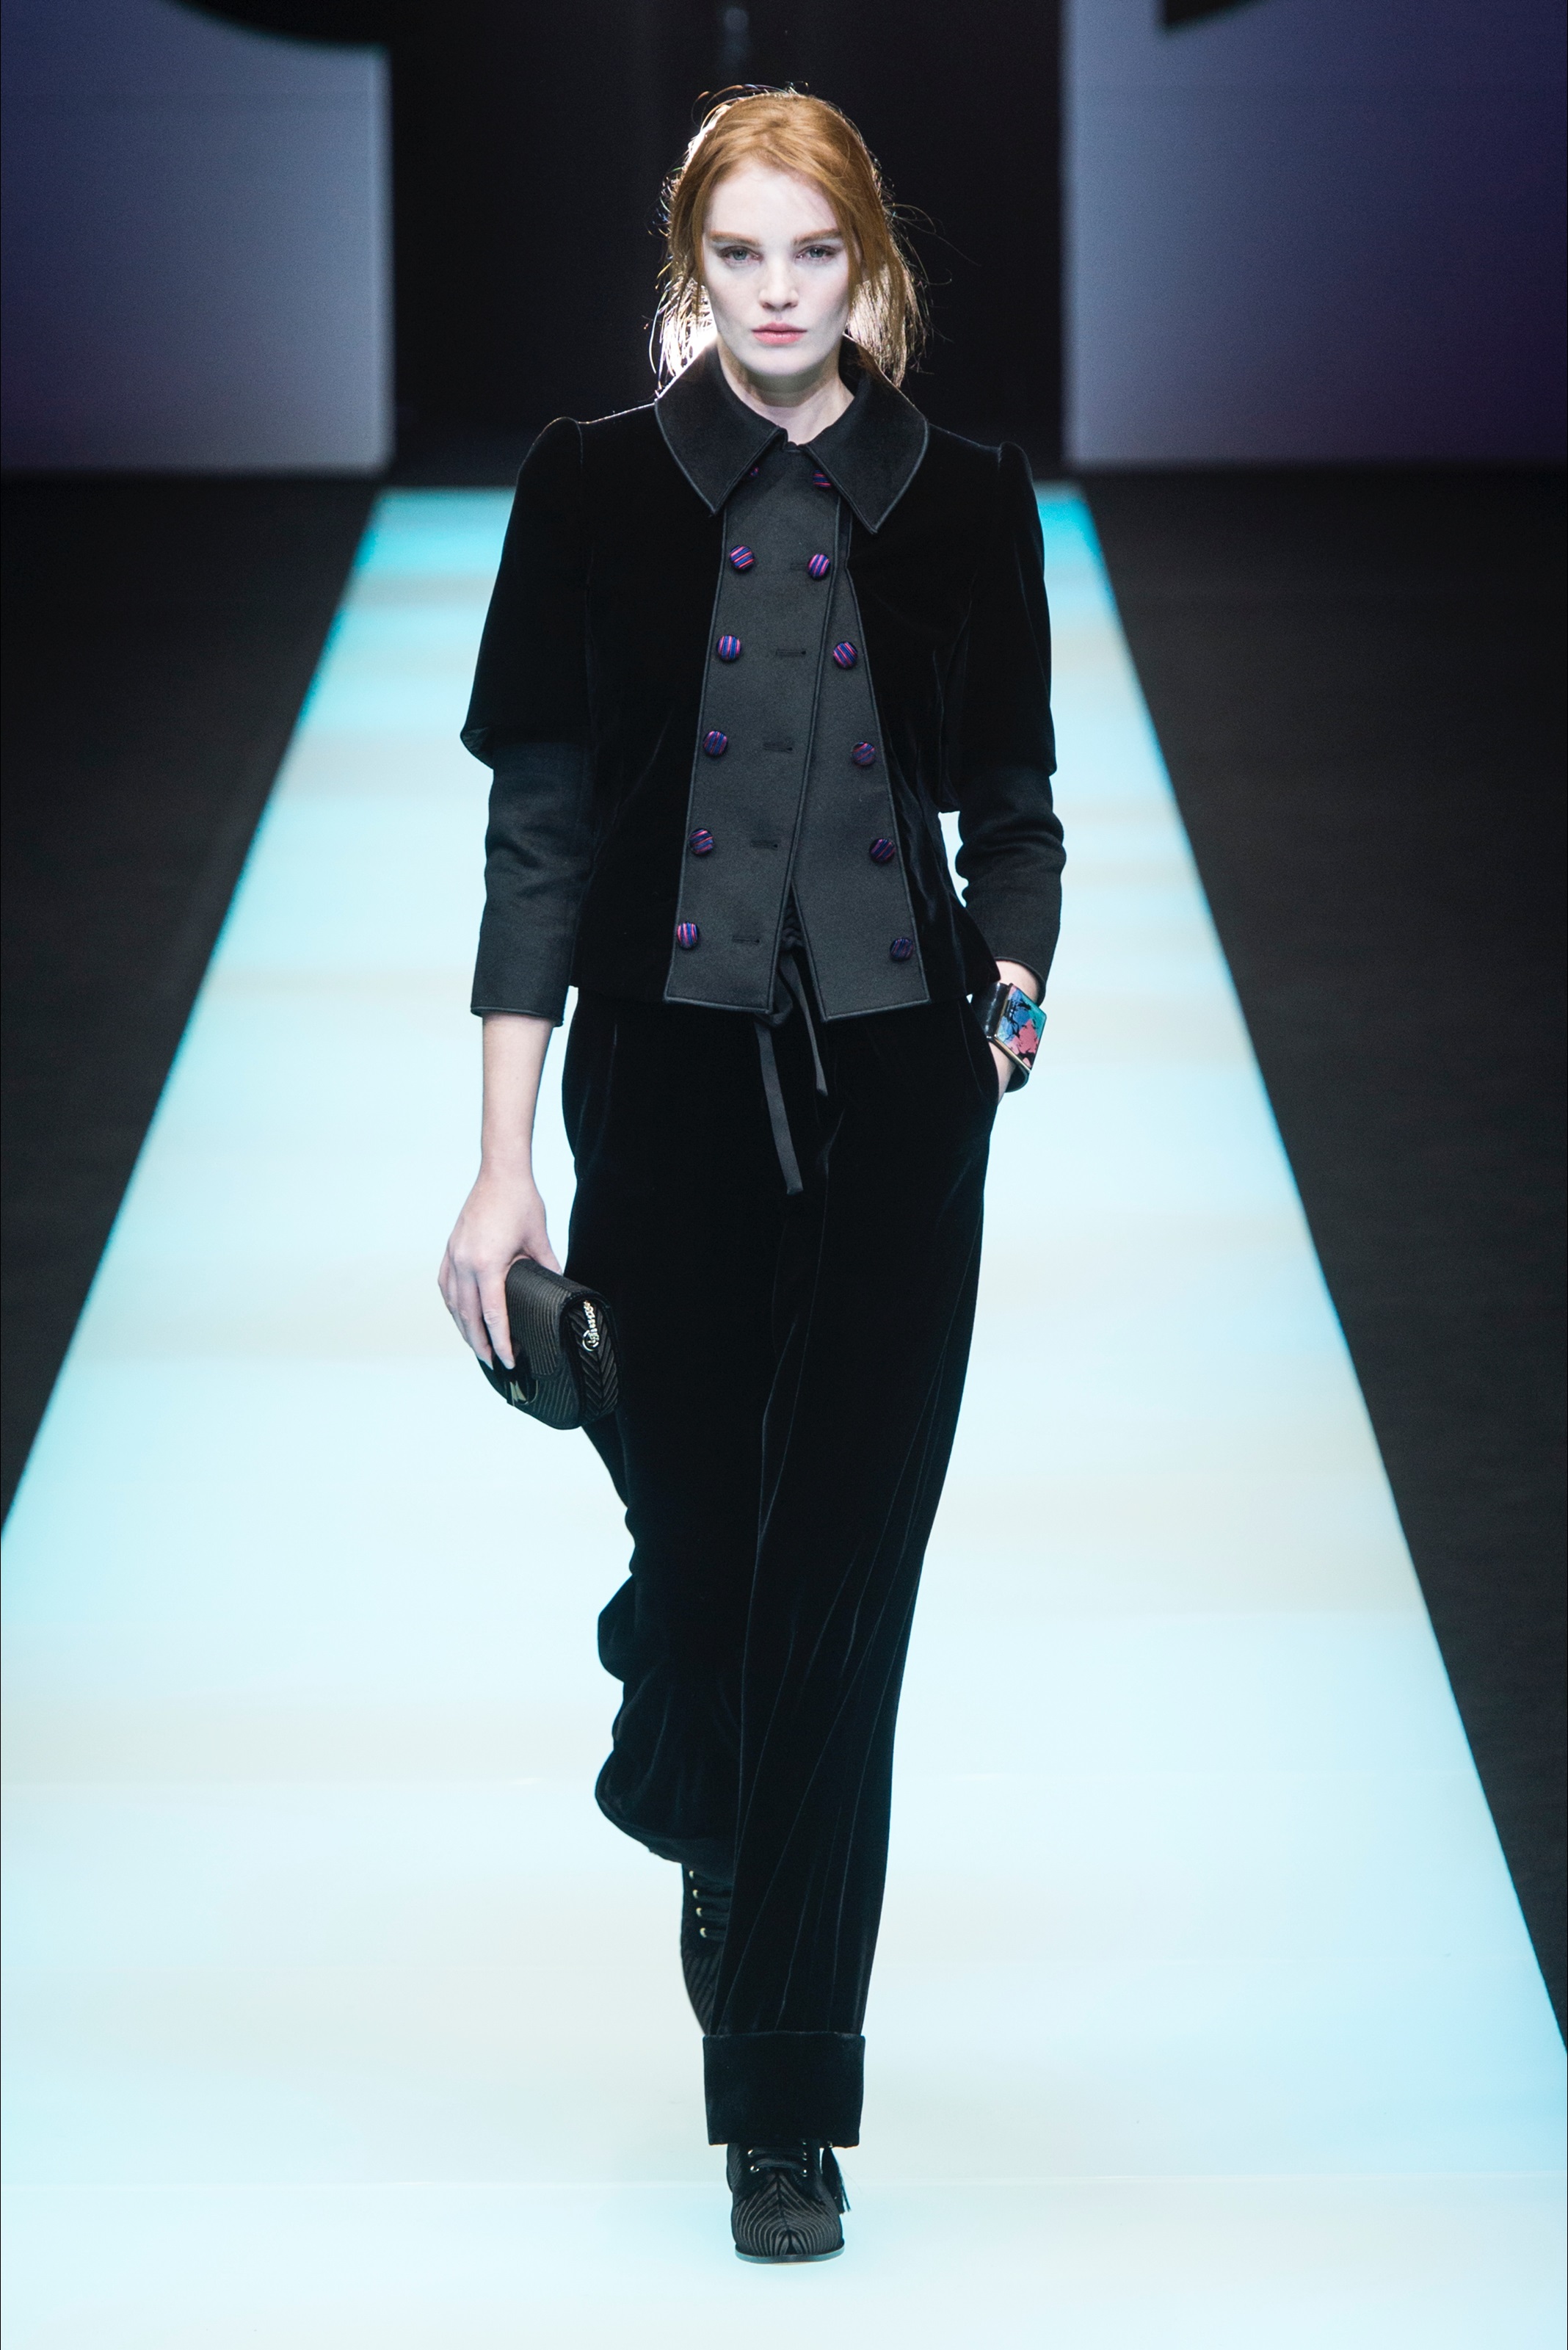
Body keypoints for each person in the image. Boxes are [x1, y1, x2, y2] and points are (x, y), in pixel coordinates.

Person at [438, 88, 1063, 2263]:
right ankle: (694, 1760)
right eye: (739, 257)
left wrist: (1011, 992)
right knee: (704, 1547)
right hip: (667, 1097)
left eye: (813, 254)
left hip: (902, 1102)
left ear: (867, 263)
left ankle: (784, 2106)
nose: (778, 295)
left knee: (842, 1595)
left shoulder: (967, 502)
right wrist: (500, 1167)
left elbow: (1016, 810)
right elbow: (537, 840)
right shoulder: (590, 489)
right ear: (688, 272)